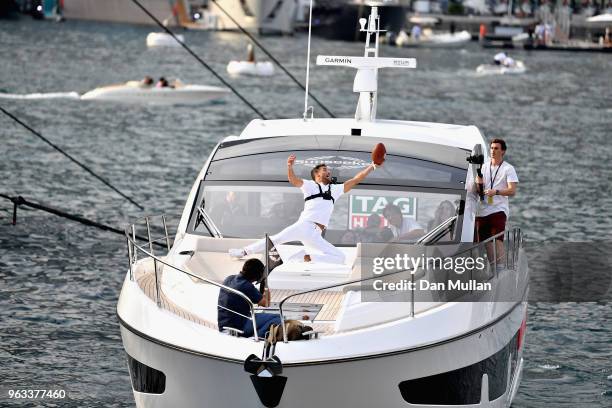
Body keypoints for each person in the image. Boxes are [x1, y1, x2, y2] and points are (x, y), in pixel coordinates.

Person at [229, 155, 378, 264]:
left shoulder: (336, 189)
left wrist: (372, 166)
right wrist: (289, 166)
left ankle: (305, 257)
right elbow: (293, 180)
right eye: (325, 170)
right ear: (317, 174)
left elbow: (356, 179)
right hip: (304, 225)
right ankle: (243, 251)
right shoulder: (310, 185)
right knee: (276, 239)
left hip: (316, 234)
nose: (329, 172)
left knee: (340, 258)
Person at [474, 138, 519, 264]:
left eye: (496, 148)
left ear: (503, 151)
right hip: (482, 210)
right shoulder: (483, 167)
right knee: (487, 243)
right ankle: (495, 271)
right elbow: (478, 190)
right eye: (492, 148)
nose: (493, 151)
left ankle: (502, 270)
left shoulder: (508, 169)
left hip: (499, 209)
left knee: (497, 240)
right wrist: (479, 185)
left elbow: (512, 191)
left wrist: (496, 192)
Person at [217, 259, 281, 338]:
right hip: (240, 326)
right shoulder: (247, 286)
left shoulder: (229, 278)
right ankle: (257, 337)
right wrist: (265, 283)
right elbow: (266, 304)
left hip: (223, 324)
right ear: (257, 275)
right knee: (278, 318)